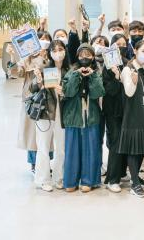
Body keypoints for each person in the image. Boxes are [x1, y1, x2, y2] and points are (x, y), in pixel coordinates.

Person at [61, 44, 105, 192]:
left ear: (93, 57)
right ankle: (70, 181)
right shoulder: (71, 72)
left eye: (88, 55)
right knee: (72, 149)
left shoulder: (97, 72)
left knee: (91, 148)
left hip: (91, 116)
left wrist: (92, 76)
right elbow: (68, 92)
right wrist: (76, 75)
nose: (84, 58)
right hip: (73, 116)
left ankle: (89, 180)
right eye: (82, 55)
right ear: (77, 56)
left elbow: (98, 93)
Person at [29, 39, 68, 191]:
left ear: (65, 50)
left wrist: (63, 92)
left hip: (63, 114)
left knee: (61, 148)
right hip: (46, 112)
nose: (58, 53)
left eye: (60, 49)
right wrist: (39, 81)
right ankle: (43, 179)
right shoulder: (45, 68)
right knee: (43, 147)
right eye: (54, 50)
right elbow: (32, 88)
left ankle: (59, 177)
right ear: (50, 53)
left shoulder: (69, 70)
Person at [119, 41, 144, 198]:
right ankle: (134, 184)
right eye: (143, 51)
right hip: (133, 112)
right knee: (133, 148)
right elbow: (128, 92)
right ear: (135, 51)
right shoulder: (128, 69)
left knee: (141, 146)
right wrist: (133, 82)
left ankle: (136, 177)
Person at [17, 32, 51, 173]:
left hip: (49, 96)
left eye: (47, 39)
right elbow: (18, 72)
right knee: (32, 133)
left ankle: (46, 162)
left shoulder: (52, 55)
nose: (44, 41)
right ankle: (34, 163)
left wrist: (44, 58)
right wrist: (13, 56)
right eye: (41, 38)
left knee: (47, 131)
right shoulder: (27, 58)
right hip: (32, 98)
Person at [103, 33, 129, 193]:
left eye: (124, 44)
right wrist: (117, 77)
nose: (121, 47)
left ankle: (121, 172)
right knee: (116, 142)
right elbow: (109, 90)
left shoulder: (128, 63)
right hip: (112, 111)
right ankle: (112, 179)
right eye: (118, 44)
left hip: (126, 109)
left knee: (124, 141)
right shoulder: (107, 65)